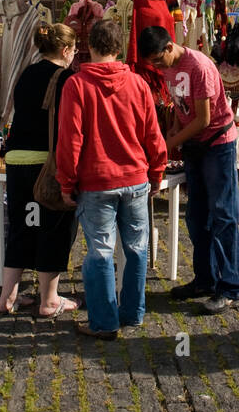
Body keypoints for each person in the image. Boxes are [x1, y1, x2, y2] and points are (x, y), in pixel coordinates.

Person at [56, 17, 167, 339]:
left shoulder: (77, 85)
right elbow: (153, 134)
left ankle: (104, 322)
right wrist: (157, 170)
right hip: (134, 178)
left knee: (101, 251)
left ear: (89, 46)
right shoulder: (138, 85)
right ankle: (132, 313)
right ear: (119, 48)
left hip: (97, 182)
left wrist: (66, 182)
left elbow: (70, 140)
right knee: (136, 249)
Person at [140, 25, 239, 313]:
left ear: (169, 46)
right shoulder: (168, 67)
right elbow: (181, 108)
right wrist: (173, 129)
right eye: (153, 64)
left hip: (217, 143)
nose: (158, 67)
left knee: (223, 214)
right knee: (197, 217)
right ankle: (205, 280)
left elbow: (203, 119)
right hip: (194, 147)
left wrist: (168, 142)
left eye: (159, 61)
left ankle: (231, 288)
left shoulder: (198, 65)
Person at [0, 22, 82, 317]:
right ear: (65, 49)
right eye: (74, 48)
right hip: (44, 164)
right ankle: (49, 301)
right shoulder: (67, 78)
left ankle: (7, 298)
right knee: (53, 227)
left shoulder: (27, 73)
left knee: (22, 227)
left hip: (16, 159)